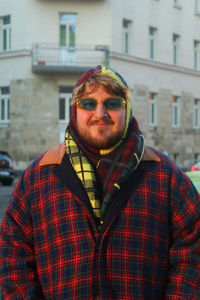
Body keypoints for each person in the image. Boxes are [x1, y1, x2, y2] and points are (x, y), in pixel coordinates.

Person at [0, 65, 200, 299]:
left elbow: (192, 257)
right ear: (75, 110)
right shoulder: (37, 178)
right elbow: (12, 261)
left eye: (113, 103)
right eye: (88, 104)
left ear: (127, 109)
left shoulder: (166, 176)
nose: (100, 113)